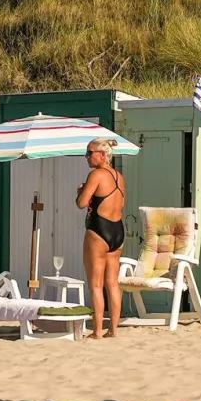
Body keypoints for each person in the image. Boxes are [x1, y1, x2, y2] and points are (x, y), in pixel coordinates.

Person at [77, 138, 126, 339]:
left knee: (96, 284)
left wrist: (81, 190)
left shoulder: (96, 175)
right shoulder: (119, 176)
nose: (87, 157)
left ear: (103, 155)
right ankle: (113, 329)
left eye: (90, 153)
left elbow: (81, 203)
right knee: (112, 283)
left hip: (98, 230)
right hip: (117, 230)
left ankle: (97, 331)